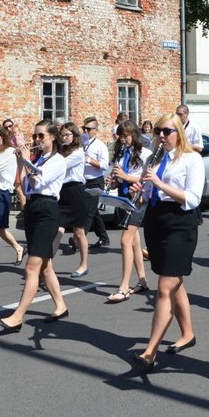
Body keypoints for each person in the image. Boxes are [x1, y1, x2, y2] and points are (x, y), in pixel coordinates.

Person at [131, 113, 205, 371]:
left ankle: (150, 351)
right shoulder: (156, 158)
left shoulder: (192, 159)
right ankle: (187, 333)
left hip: (179, 224)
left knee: (164, 288)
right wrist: (140, 193)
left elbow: (193, 198)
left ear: (179, 133)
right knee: (174, 282)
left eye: (168, 131)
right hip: (156, 222)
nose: (162, 136)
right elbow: (148, 195)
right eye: (159, 131)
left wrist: (160, 184)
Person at [0, 121, 69, 332]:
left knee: (32, 267)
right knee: (45, 265)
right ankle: (61, 305)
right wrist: (21, 161)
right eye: (35, 136)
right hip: (34, 207)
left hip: (47, 209)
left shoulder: (58, 161)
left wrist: (27, 161)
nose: (37, 140)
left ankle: (18, 316)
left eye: (41, 136)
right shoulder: (40, 159)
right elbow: (24, 184)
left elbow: (38, 183)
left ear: (53, 137)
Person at [105, 120, 151, 303]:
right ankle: (142, 280)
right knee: (134, 242)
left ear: (135, 135)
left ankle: (124, 287)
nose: (123, 140)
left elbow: (146, 177)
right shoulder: (124, 153)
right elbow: (123, 177)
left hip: (138, 199)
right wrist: (115, 180)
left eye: (126, 136)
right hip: (125, 197)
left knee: (125, 240)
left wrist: (125, 177)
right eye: (121, 136)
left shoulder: (146, 153)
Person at [0, 125, 23, 268]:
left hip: (2, 193)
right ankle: (19, 248)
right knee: (0, 230)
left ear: (3, 137)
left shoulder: (10, 152)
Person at [57, 122, 90, 277]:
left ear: (74, 136)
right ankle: (46, 264)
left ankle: (84, 265)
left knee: (78, 231)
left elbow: (61, 166)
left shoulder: (78, 152)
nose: (64, 137)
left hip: (75, 191)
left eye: (67, 135)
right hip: (62, 192)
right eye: (62, 135)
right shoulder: (59, 151)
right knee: (58, 229)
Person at [81, 117, 111, 250]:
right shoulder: (82, 143)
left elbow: (104, 165)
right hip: (84, 180)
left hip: (95, 181)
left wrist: (89, 160)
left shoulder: (100, 146)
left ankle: (79, 238)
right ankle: (104, 237)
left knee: (89, 211)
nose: (86, 131)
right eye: (84, 129)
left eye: (88, 129)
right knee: (93, 210)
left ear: (95, 130)